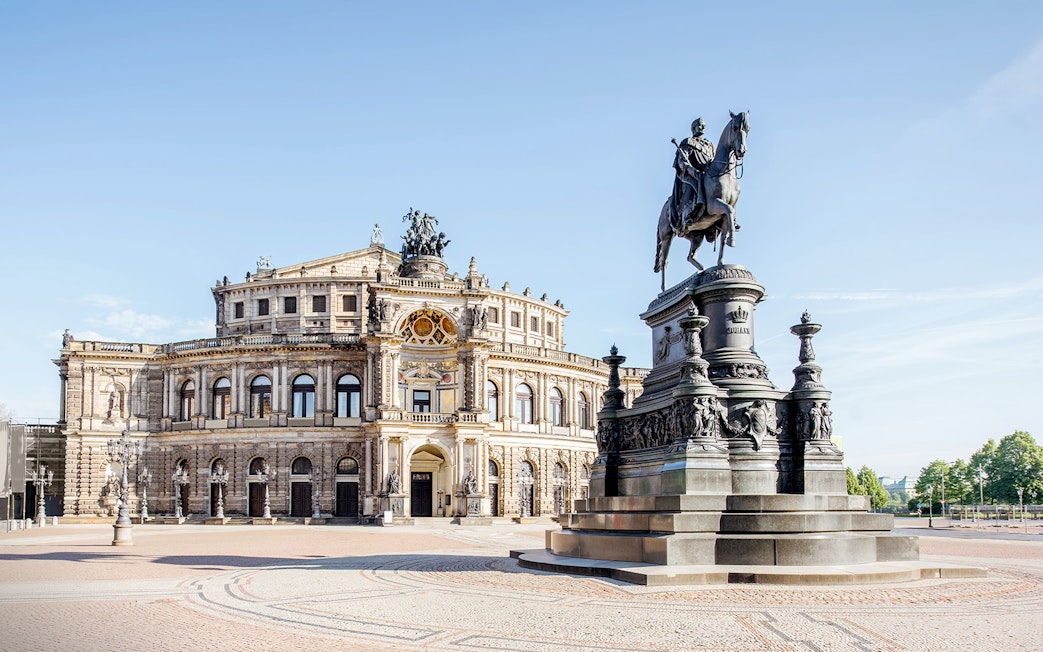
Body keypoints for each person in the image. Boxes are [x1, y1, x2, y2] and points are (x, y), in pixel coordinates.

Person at [671, 118, 716, 228]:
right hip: (691, 174)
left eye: (704, 125)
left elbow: (713, 161)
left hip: (707, 174)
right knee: (694, 184)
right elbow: (681, 161)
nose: (702, 127)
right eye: (700, 125)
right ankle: (688, 214)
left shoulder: (710, 146)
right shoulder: (688, 142)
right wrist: (690, 169)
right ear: (693, 128)